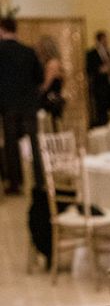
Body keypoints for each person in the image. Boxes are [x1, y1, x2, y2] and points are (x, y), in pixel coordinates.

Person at [0, 16, 44, 194]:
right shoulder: (28, 51)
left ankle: (15, 182)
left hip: (8, 105)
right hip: (28, 104)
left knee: (11, 144)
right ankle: (40, 179)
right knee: (34, 142)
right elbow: (39, 78)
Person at [86, 30, 110, 126]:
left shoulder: (109, 52)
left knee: (109, 106)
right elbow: (89, 69)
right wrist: (100, 70)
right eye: (104, 39)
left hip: (109, 82)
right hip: (99, 84)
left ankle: (108, 123)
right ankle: (101, 124)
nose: (106, 41)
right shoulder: (91, 53)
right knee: (100, 107)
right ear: (99, 40)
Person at [37, 35, 66, 130]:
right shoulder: (58, 62)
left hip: (49, 100)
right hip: (55, 98)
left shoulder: (52, 64)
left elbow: (46, 85)